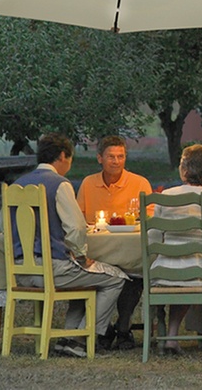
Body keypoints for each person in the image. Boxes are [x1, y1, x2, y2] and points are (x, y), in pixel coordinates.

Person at [11, 133, 125, 358]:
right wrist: (82, 256)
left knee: (83, 279)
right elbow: (76, 228)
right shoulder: (59, 185)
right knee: (115, 278)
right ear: (63, 156)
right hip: (52, 268)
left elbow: (7, 230)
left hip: (20, 269)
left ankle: (68, 337)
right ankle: (81, 338)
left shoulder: (17, 185)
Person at [149, 144, 202, 356]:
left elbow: (153, 237)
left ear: (184, 170)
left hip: (163, 271)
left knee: (190, 278)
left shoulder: (165, 195)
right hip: (198, 270)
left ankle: (172, 336)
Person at [76, 135, 154, 350]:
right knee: (106, 273)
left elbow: (150, 219)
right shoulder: (89, 183)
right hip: (99, 253)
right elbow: (79, 219)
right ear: (99, 158)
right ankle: (107, 328)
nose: (116, 161)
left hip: (131, 252)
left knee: (132, 273)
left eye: (121, 156)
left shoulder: (139, 183)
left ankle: (122, 325)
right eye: (111, 156)